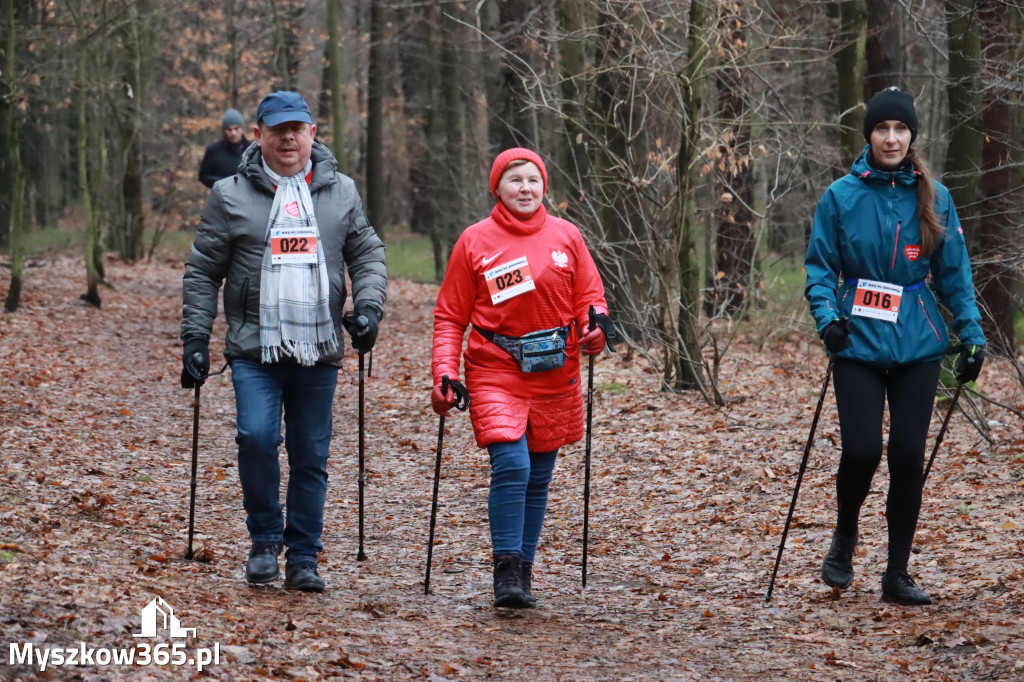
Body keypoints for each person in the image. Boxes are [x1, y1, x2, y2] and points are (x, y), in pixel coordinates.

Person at [181, 91, 386, 593]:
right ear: (259, 135)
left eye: (298, 128)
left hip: (319, 349)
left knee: (310, 453)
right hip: (255, 348)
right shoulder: (229, 195)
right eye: (278, 129)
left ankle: (304, 556)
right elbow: (204, 271)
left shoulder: (341, 192)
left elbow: (368, 254)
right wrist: (195, 337)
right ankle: (264, 539)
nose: (289, 137)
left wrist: (368, 309)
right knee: (255, 438)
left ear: (313, 134)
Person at [804, 86, 986, 606]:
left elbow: (954, 275)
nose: (891, 138)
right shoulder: (840, 196)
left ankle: (897, 573)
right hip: (856, 339)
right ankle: (844, 538)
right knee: (862, 451)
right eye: (882, 129)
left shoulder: (935, 196)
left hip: (917, 340)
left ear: (912, 136)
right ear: (869, 135)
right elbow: (820, 267)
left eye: (900, 129)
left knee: (908, 455)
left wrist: (971, 334)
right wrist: (827, 319)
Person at [431, 147, 615, 609]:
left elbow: (590, 298)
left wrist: (595, 330)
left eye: (533, 179)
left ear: (544, 185)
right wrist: (444, 371)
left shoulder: (567, 236)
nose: (525, 188)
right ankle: (506, 569)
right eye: (515, 180)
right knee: (512, 465)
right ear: (497, 187)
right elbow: (450, 317)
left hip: (555, 370)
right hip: (495, 367)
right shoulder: (474, 240)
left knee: (539, 475)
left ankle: (523, 573)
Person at [198, 108, 249, 188]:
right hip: (222, 196)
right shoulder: (214, 150)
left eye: (236, 128)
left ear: (241, 129)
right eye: (229, 129)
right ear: (224, 131)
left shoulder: (252, 150)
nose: (233, 133)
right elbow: (204, 176)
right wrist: (223, 183)